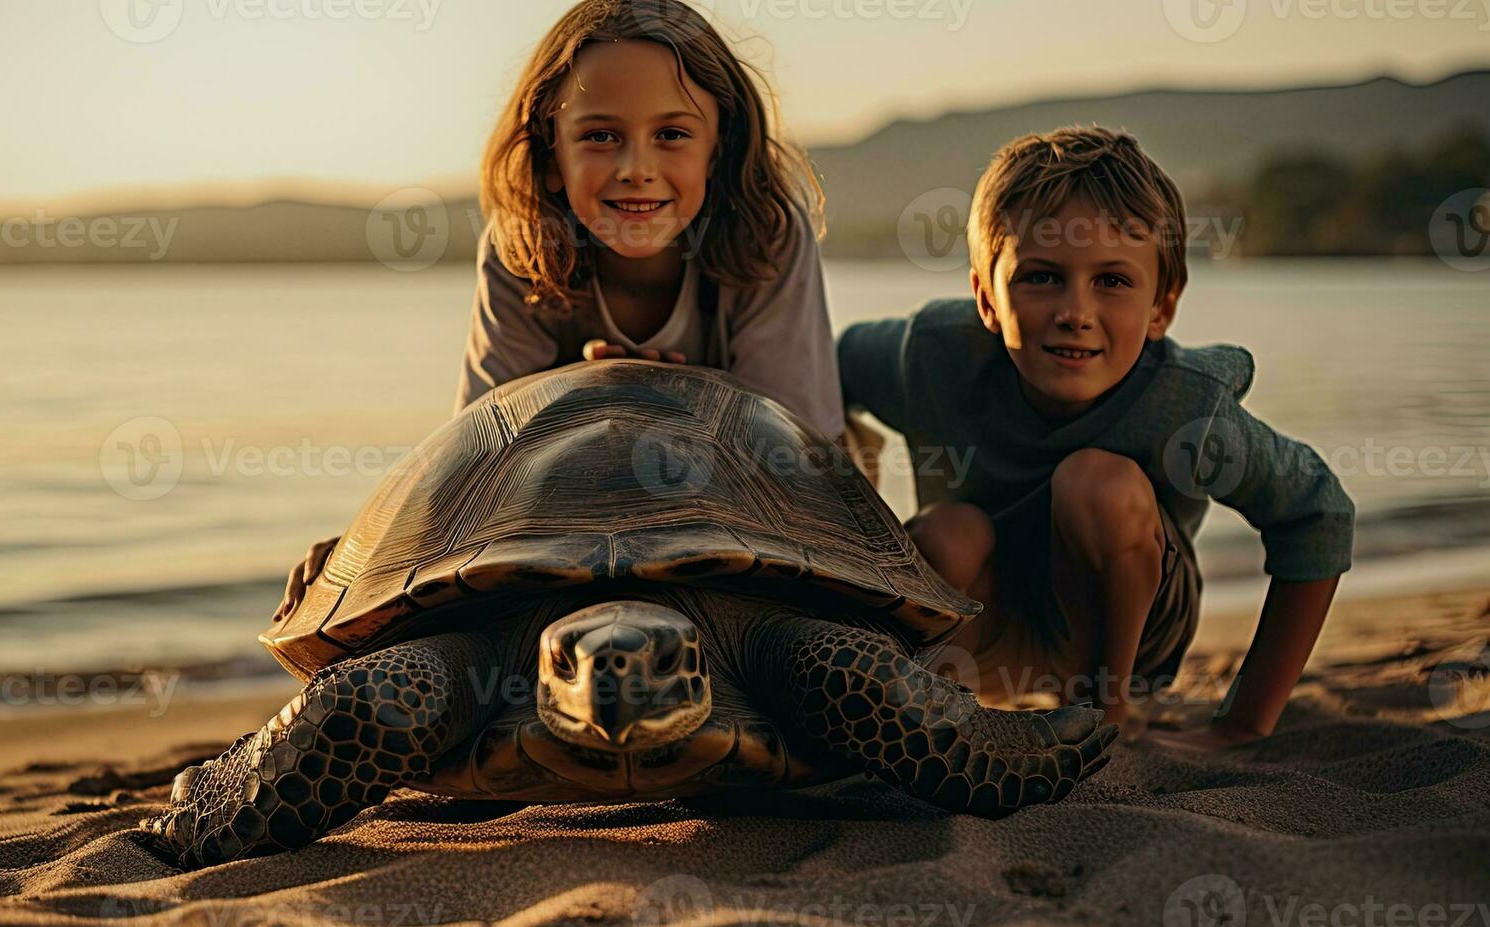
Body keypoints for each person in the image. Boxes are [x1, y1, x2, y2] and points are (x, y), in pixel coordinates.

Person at [276, 0, 843, 623]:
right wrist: (370, 557)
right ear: (550, 157)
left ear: (720, 147)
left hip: (740, 540)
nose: (636, 168)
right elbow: (478, 459)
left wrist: (660, 397)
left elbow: (796, 457)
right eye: (600, 136)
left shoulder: (766, 235)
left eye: (672, 135)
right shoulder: (523, 246)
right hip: (559, 544)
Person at [838, 126, 1355, 750]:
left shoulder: (1183, 405)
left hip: (1124, 637)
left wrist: (1244, 720)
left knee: (1096, 483)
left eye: (1111, 281)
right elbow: (815, 369)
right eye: (1041, 278)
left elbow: (1317, 514)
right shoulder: (932, 356)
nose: (1075, 311)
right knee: (948, 532)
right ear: (985, 297)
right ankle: (938, 715)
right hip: (987, 626)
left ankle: (1107, 719)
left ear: (1162, 306)